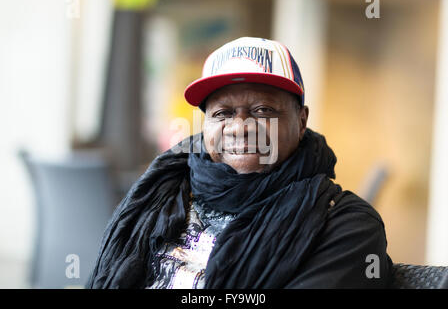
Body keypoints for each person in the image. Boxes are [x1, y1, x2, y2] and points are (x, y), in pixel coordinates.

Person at [86, 37, 393, 289]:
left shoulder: (345, 225)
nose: (240, 126)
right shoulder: (163, 195)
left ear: (301, 121)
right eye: (223, 113)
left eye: (262, 110)